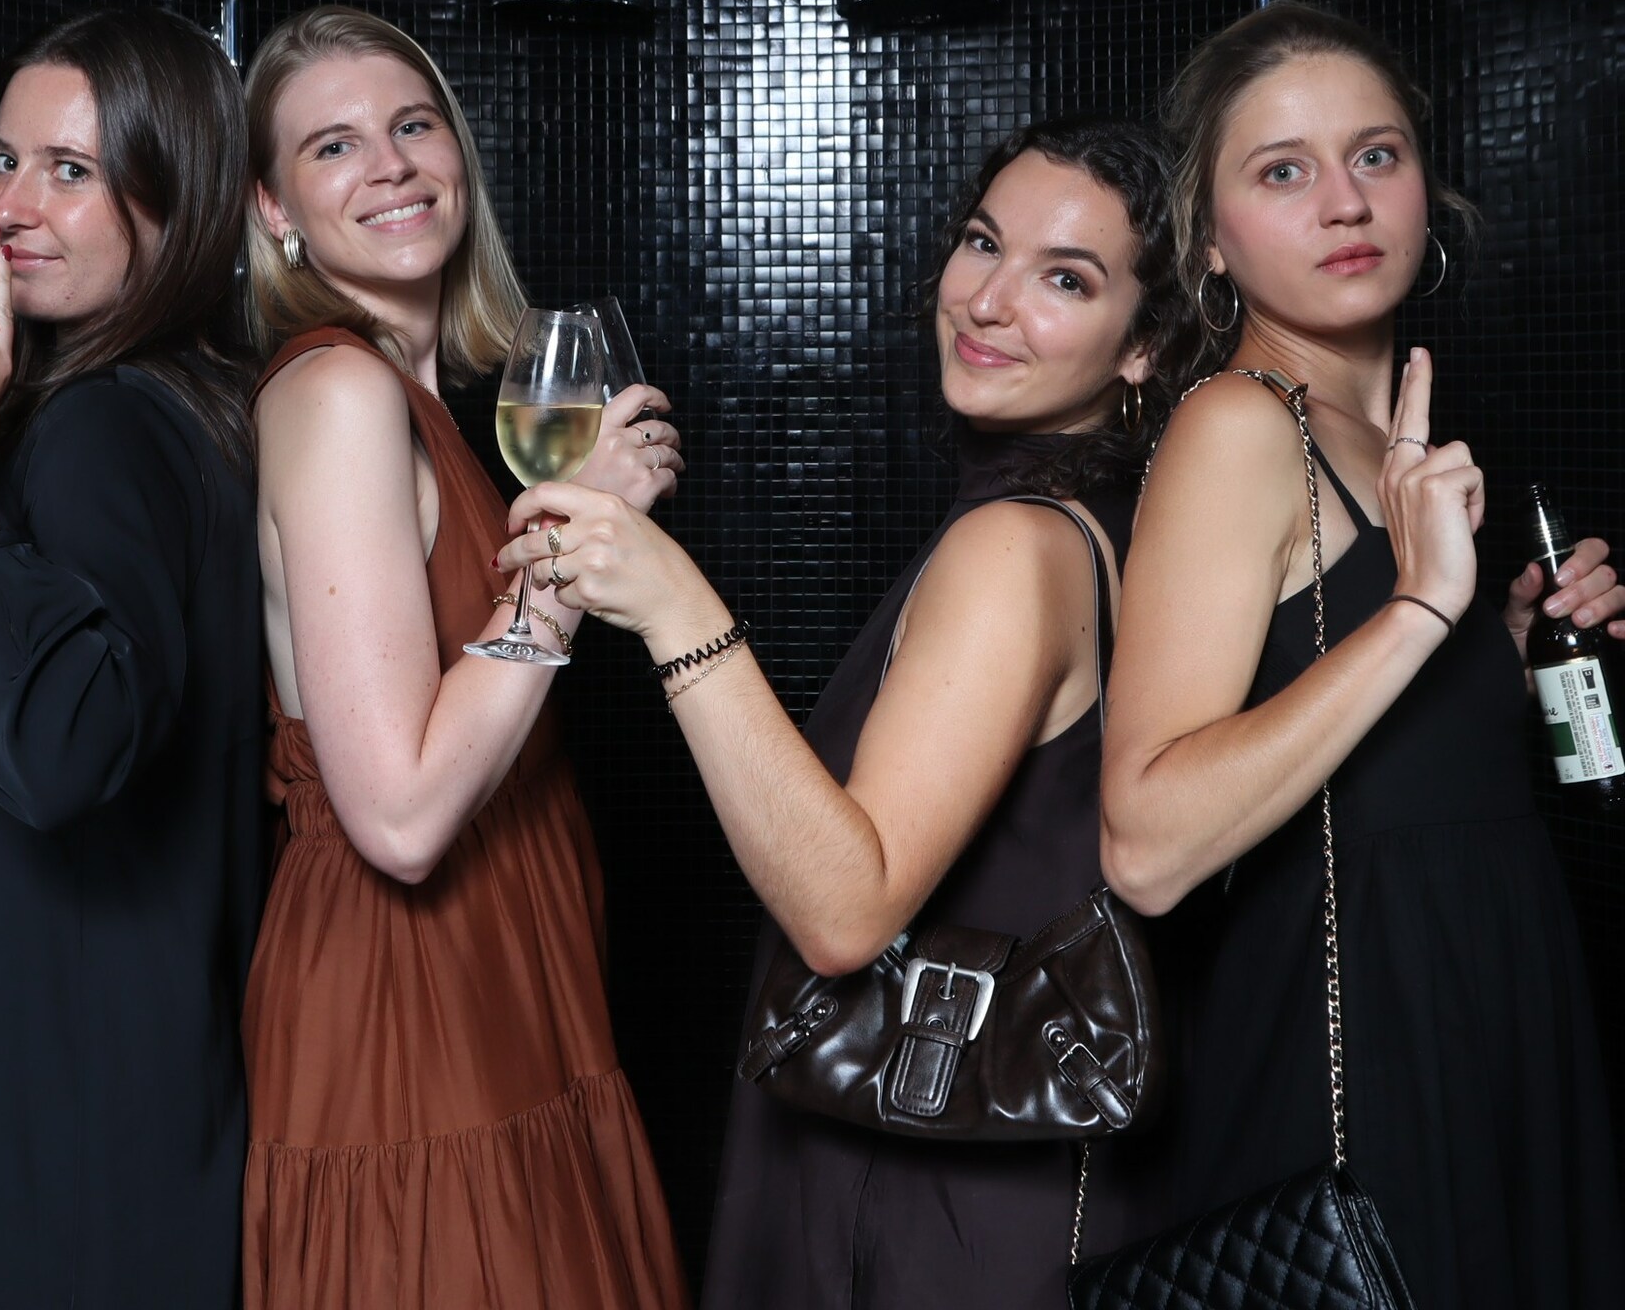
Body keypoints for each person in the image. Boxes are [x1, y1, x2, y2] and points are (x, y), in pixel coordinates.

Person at [502, 116, 1206, 1308]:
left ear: (1142, 347)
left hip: (934, 1205)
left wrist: (677, 607)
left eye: (1066, 280)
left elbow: (844, 911)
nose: (989, 301)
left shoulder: (1016, 547)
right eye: (983, 242)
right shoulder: (1109, 523)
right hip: (986, 1183)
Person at [1099, 2, 1625, 1310]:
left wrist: (1500, 653)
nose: (1345, 202)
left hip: (1491, 1010)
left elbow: (1367, 745)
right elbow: (1148, 843)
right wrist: (1419, 612)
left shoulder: (1382, 426)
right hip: (1365, 1059)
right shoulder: (1239, 426)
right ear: (1211, 239)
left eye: (1376, 155)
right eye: (1282, 171)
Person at [238, 5, 689, 1310]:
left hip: (510, 964)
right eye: (332, 146)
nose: (389, 164)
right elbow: (400, 816)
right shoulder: (339, 395)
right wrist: (572, 558)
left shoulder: (426, 401)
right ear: (273, 209)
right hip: (404, 995)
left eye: (413, 125)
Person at [0, 6, 262, 1308]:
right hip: (121, 1087)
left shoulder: (104, 428)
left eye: (69, 170)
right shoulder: (188, 403)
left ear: (177, 199)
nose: (10, 206)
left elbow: (64, 745)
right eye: (3, 159)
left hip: (36, 1123)